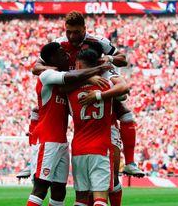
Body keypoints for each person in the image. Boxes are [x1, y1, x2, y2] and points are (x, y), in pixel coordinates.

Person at [34, 11, 143, 177]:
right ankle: (32, 161)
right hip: (69, 86)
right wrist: (55, 72)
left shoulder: (98, 41)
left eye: (76, 32)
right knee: (38, 110)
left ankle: (129, 162)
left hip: (92, 86)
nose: (71, 36)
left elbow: (122, 58)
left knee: (123, 110)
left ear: (84, 29)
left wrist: (109, 59)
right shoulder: (59, 43)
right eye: (68, 31)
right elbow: (36, 68)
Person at [25, 42, 111, 206]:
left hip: (61, 142)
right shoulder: (47, 75)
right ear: (52, 58)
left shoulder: (65, 82)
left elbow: (69, 84)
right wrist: (96, 70)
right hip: (47, 140)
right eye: (61, 53)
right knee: (41, 188)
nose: (66, 55)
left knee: (59, 190)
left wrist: (88, 75)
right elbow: (71, 77)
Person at [67, 49, 129, 206]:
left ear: (79, 64)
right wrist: (99, 95)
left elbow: (61, 88)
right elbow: (123, 89)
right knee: (100, 198)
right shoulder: (106, 85)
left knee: (80, 199)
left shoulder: (69, 89)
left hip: (78, 149)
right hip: (100, 148)